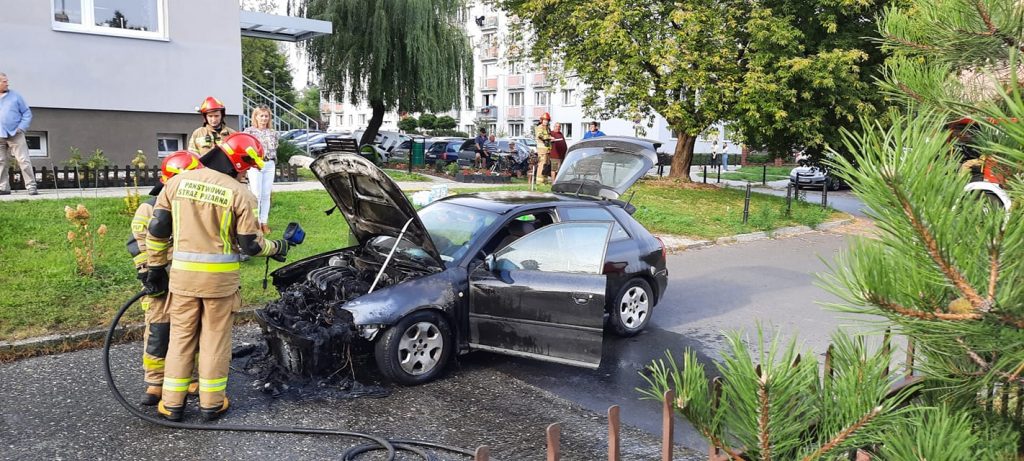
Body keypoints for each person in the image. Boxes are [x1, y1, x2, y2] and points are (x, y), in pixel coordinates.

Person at [146, 132, 288, 422]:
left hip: (183, 281)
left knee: (181, 338)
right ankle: (212, 404)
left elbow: (158, 229)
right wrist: (277, 247)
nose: (247, 171)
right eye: (247, 165)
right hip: (220, 285)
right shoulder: (240, 193)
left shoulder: (177, 183)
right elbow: (251, 244)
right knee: (214, 340)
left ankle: (172, 404)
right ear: (237, 161)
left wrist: (155, 268)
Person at [126, 150, 203, 406]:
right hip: (159, 282)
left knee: (190, 329)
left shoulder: (194, 207)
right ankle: (155, 382)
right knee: (159, 331)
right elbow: (138, 245)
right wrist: (148, 275)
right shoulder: (148, 208)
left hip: (187, 279)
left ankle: (191, 377)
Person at [0, 73, 37, 195]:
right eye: (4, 81)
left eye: (7, 81)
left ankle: (31, 186)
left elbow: (27, 113)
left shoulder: (15, 96)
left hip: (15, 134)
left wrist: (21, 128)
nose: (7, 83)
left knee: (23, 160)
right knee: (1, 161)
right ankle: (3, 187)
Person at [243, 106, 278, 235]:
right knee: (256, 193)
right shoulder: (249, 132)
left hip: (269, 164)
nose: (264, 118)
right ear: (256, 117)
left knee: (266, 194)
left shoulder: (273, 132)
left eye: (266, 116)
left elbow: (275, 148)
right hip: (255, 164)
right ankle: (255, 222)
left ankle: (264, 222)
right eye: (261, 116)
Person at [534, 113, 553, 184]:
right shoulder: (539, 127)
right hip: (542, 150)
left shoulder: (547, 128)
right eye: (545, 120)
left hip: (547, 150)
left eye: (547, 120)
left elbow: (548, 138)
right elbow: (540, 136)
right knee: (542, 165)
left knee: (546, 166)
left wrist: (551, 140)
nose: (546, 122)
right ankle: (539, 182)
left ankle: (545, 181)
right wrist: (549, 137)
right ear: (542, 120)